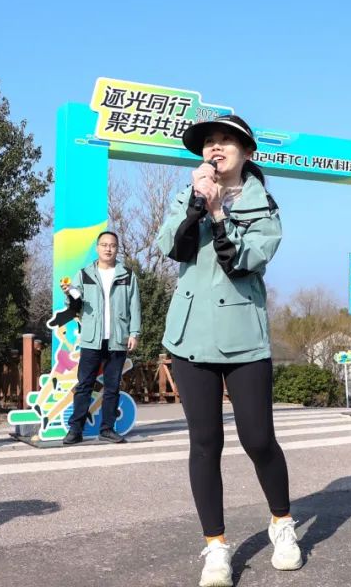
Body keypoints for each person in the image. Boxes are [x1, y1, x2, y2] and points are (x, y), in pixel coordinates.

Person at [157, 114, 301, 587]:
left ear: (247, 152)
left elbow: (242, 262)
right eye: (209, 143)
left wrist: (219, 214)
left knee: (258, 439)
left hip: (244, 338)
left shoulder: (264, 206)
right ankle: (216, 547)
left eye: (225, 141)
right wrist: (197, 204)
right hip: (190, 335)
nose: (214, 149)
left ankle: (282, 523)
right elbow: (171, 247)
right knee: (205, 443)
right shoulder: (189, 192)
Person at [61, 231, 141, 445]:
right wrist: (69, 294)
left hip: (118, 338)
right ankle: (75, 430)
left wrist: (134, 333)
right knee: (84, 385)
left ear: (117, 248)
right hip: (91, 339)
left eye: (112, 245)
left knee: (112, 386)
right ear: (97, 248)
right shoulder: (84, 274)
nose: (108, 249)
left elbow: (135, 306)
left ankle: (107, 429)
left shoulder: (127, 275)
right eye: (104, 245)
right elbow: (74, 305)